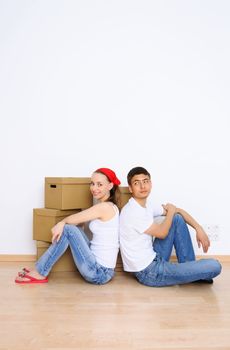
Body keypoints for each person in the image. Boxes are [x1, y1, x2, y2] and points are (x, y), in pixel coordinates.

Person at [15, 168, 121, 285]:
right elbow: (79, 222)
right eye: (92, 183)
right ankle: (39, 267)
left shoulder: (104, 207)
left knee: (67, 229)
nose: (94, 188)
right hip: (99, 266)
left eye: (99, 184)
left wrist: (61, 223)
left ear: (110, 186)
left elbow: (73, 219)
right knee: (72, 228)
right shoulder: (109, 206)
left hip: (99, 273)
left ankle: (40, 271)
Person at [119, 166, 222, 287]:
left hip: (154, 256)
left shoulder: (147, 205)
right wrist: (171, 211)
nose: (142, 186)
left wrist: (198, 228)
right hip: (149, 272)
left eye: (145, 181)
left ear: (150, 184)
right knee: (215, 266)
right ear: (130, 188)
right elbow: (162, 233)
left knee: (176, 219)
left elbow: (177, 211)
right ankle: (191, 271)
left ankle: (189, 267)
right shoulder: (133, 211)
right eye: (137, 183)